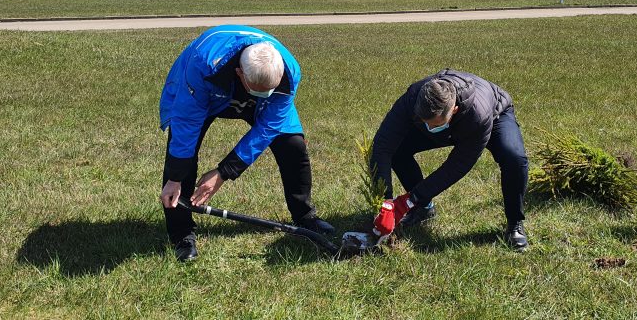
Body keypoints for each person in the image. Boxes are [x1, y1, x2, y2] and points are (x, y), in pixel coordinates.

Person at [158, 25, 334, 261]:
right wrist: (175, 177)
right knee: (184, 155)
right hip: (207, 90)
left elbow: (267, 129)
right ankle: (181, 233)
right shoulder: (203, 64)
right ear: (240, 73)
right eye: (261, 91)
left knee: (293, 146)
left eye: (271, 89)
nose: (268, 94)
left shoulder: (289, 72)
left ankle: (305, 217)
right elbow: (186, 125)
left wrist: (222, 173)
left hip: (254, 88)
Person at [369, 69, 530, 249]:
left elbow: (458, 165)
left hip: (495, 116)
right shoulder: (413, 99)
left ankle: (515, 223)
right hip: (446, 121)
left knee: (514, 157)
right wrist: (386, 202)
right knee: (398, 149)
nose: (429, 127)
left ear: (454, 110)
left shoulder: (479, 115)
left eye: (435, 124)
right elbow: (382, 146)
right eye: (425, 122)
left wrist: (412, 197)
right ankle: (424, 208)